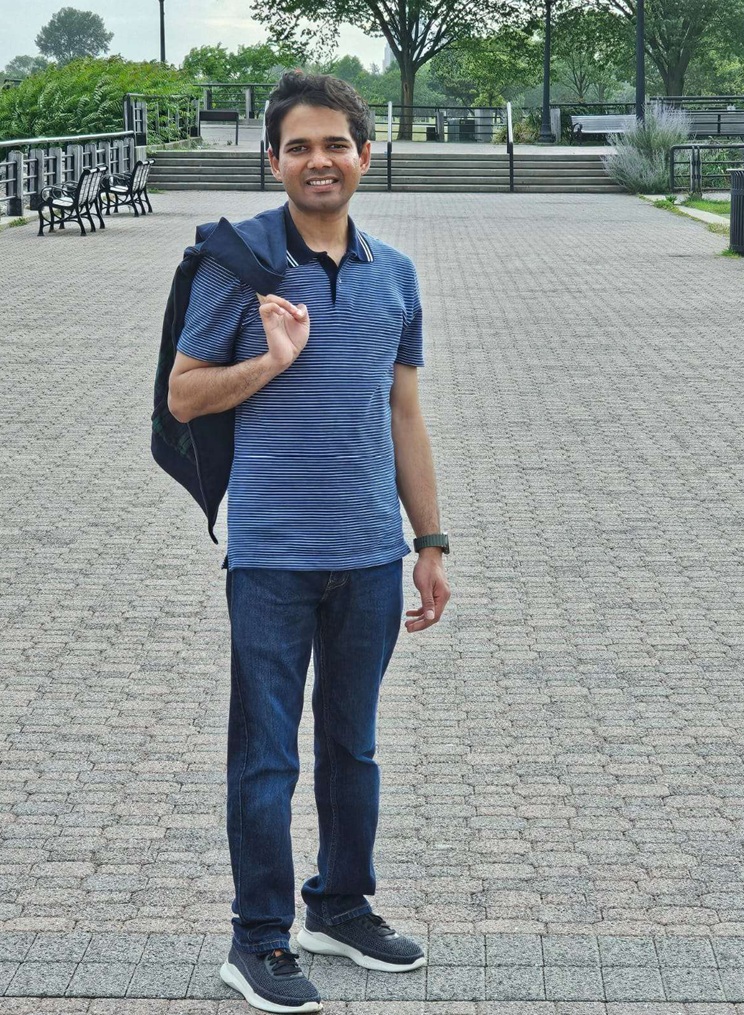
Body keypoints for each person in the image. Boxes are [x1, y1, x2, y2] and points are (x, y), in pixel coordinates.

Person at [167, 71, 451, 1014]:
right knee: (265, 757)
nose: (318, 161)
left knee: (351, 746)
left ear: (366, 154)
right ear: (273, 159)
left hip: (370, 550)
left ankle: (339, 905)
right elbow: (184, 394)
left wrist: (429, 540)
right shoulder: (239, 266)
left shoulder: (395, 273)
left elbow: (403, 412)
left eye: (335, 144)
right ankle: (257, 937)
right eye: (299, 147)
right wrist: (270, 360)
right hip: (271, 555)